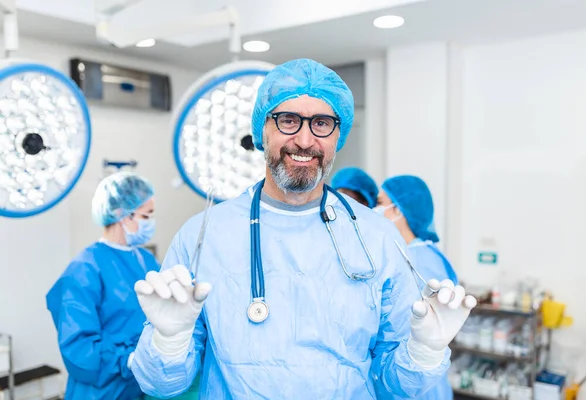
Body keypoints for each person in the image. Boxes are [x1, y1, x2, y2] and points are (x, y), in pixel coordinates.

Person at [130, 58, 476, 399]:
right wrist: (169, 342)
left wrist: (424, 352)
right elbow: (163, 385)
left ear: (337, 135)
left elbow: (395, 386)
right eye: (288, 120)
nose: (305, 140)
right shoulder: (204, 236)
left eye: (321, 123)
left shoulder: (376, 236)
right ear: (262, 130)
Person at [46, 171, 161, 400]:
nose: (150, 223)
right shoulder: (85, 268)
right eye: (146, 216)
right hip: (101, 391)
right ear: (122, 214)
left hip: (140, 387)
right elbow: (78, 347)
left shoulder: (146, 261)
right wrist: (128, 359)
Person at [374, 175, 459, 400]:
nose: (375, 209)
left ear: (400, 210)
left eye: (381, 203)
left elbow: (405, 332)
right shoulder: (417, 253)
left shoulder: (421, 262)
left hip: (417, 384)